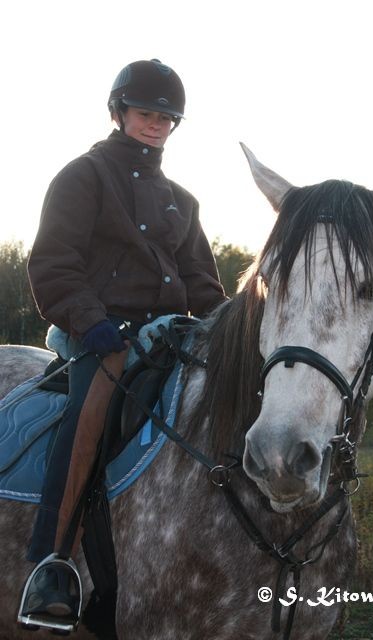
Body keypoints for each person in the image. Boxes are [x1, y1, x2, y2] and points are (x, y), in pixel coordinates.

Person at [19, 58, 226, 629]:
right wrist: (92, 321)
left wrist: (232, 325)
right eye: (146, 114)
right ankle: (51, 564)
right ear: (119, 113)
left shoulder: (182, 200)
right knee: (90, 412)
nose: (156, 125)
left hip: (168, 336)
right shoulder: (83, 177)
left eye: (166, 118)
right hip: (99, 334)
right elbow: (55, 264)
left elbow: (203, 283)